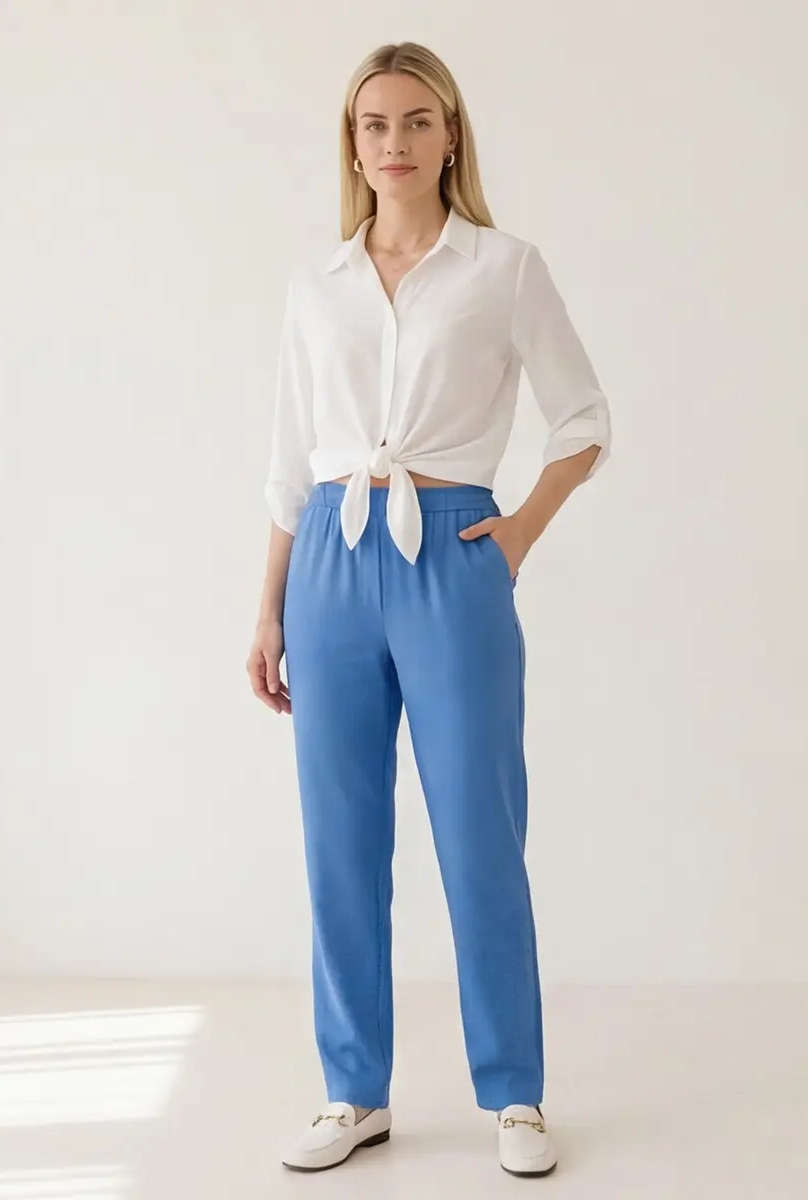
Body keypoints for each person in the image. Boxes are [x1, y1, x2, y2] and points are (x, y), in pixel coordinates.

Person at [247, 40, 611, 1178]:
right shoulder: (317, 283)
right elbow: (290, 461)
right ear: (351, 144)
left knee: (479, 833)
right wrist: (269, 610)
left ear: (450, 135)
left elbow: (583, 418)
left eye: (415, 121)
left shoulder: (504, 268)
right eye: (374, 124)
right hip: (331, 559)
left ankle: (515, 1095)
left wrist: (518, 533)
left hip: (453, 557)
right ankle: (353, 1091)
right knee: (339, 841)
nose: (393, 142)